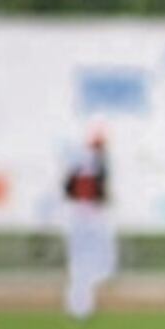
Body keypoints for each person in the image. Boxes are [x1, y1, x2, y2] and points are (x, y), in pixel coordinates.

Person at [62, 130, 117, 319]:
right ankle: (79, 307)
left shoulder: (86, 165)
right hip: (85, 214)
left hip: (88, 213)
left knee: (90, 264)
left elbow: (70, 190)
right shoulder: (89, 165)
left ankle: (81, 306)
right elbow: (71, 190)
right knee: (82, 265)